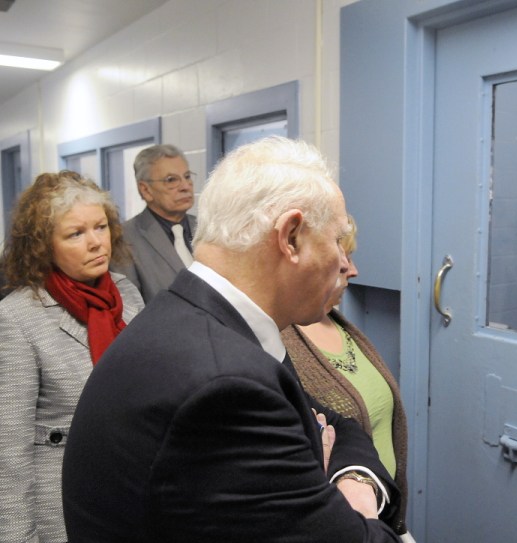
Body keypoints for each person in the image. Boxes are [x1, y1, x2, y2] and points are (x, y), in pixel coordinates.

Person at [62, 136, 401, 542]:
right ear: (290, 237)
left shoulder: (199, 320)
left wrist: (352, 479)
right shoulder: (225, 385)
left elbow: (338, 423)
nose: (344, 263)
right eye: (336, 240)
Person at [0, 171, 144, 543]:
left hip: (134, 492)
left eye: (100, 227)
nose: (96, 243)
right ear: (43, 246)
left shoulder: (127, 295)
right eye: (75, 234)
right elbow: (8, 453)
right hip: (64, 507)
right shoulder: (17, 316)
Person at [281, 214, 412, 539]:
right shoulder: (281, 342)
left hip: (382, 512)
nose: (352, 271)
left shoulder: (338, 322)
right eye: (342, 261)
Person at [110, 144, 197, 303]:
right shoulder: (124, 239)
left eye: (187, 176)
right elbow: (130, 309)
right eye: (171, 180)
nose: (185, 186)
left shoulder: (207, 229)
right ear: (145, 190)